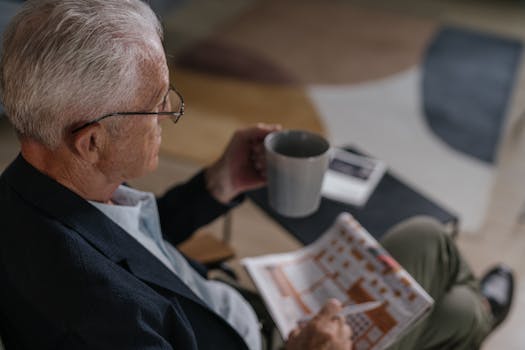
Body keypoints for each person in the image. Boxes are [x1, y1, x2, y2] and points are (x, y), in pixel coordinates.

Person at [0, 1, 513, 349]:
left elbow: (134, 250)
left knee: (428, 241)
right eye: (158, 106)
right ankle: (479, 319)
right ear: (91, 141)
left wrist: (216, 184)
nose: (172, 113)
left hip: (241, 311)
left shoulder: (40, 181)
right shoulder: (98, 317)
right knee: (460, 311)